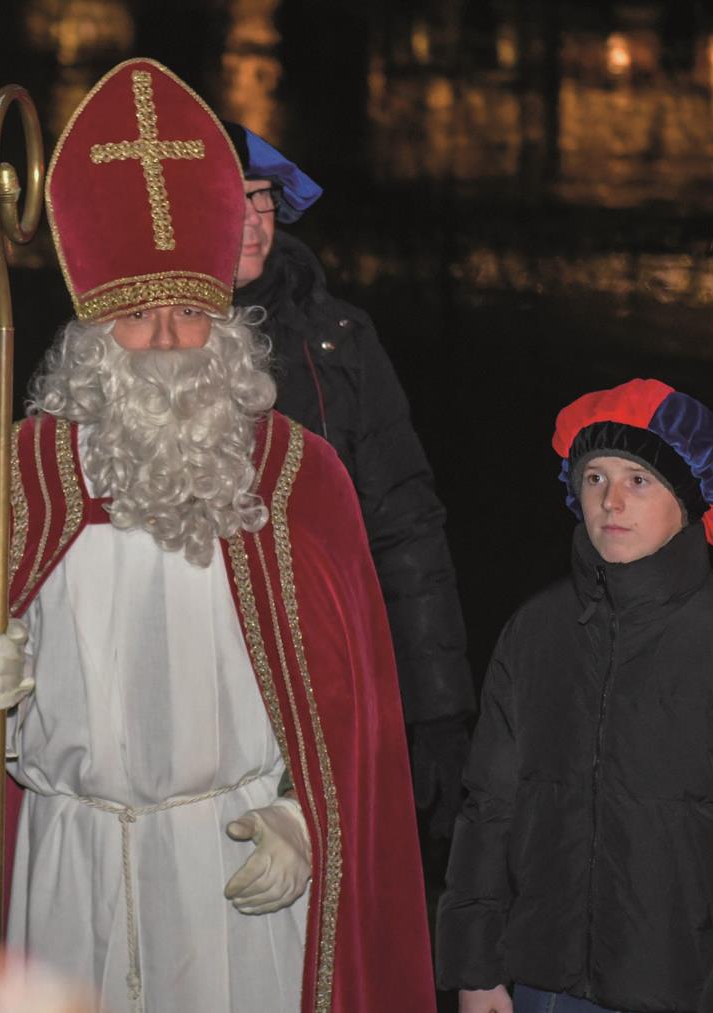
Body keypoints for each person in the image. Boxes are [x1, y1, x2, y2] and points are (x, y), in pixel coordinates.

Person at [0, 59, 434, 1013]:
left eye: (190, 312)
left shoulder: (300, 477)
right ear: (92, 331)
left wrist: (302, 814)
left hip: (229, 872)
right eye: (137, 314)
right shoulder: (19, 474)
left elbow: (349, 711)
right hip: (65, 866)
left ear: (227, 323)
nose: (164, 342)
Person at [434, 378, 713, 1013]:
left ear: (688, 499)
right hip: (542, 980)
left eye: (638, 480)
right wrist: (476, 968)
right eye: (594, 478)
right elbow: (488, 808)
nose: (611, 501)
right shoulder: (536, 632)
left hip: (682, 986)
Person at [223, 120, 475, 840]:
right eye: (227, 199)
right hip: (207, 675)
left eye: (262, 198)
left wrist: (436, 709)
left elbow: (405, 522)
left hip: (328, 668)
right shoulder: (155, 345)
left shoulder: (341, 339)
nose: (249, 221)